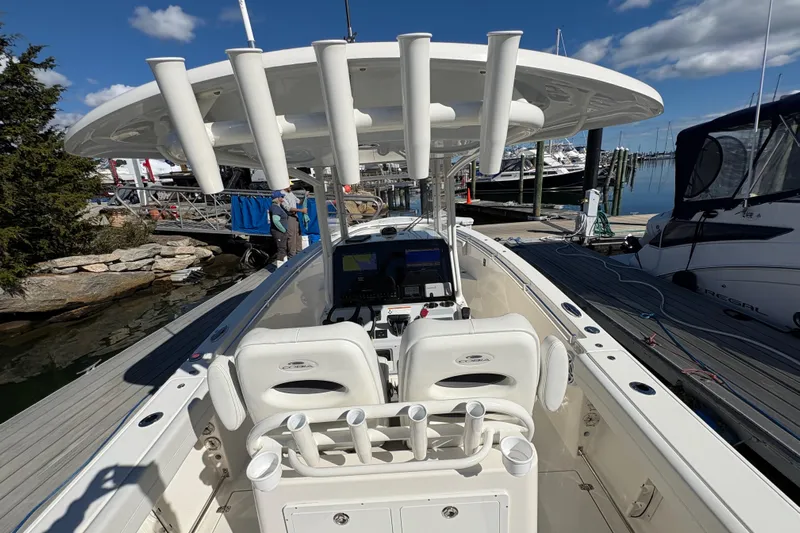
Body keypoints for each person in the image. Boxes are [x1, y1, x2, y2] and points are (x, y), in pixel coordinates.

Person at [282, 186, 307, 257]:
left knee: (298, 234)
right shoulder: (282, 195)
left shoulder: (290, 193)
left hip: (295, 216)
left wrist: (305, 197)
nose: (290, 187)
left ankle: (299, 253)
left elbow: (299, 202)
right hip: (289, 216)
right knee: (292, 236)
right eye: (289, 186)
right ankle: (292, 255)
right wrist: (301, 210)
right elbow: (288, 208)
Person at [269, 190, 289, 264]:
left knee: (283, 248)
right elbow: (276, 220)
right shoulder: (275, 208)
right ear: (277, 198)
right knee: (281, 248)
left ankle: (285, 264)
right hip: (279, 232)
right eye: (281, 196)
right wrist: (283, 230)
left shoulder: (278, 207)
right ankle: (280, 266)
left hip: (281, 232)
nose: (283, 198)